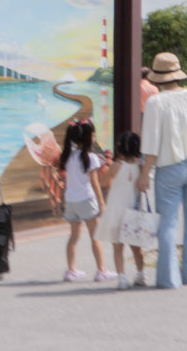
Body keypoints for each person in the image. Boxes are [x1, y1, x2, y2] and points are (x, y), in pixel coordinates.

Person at [136, 52, 187, 288]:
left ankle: (169, 279)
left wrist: (145, 173)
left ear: (156, 77)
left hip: (170, 167)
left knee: (167, 224)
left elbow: (151, 141)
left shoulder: (156, 102)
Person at [56, 118, 113, 283]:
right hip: (86, 200)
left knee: (73, 237)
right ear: (90, 137)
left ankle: (71, 270)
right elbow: (94, 183)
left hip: (71, 201)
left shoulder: (68, 157)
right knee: (95, 236)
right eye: (94, 134)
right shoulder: (91, 158)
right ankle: (101, 270)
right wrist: (101, 203)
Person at [101, 130, 147, 289]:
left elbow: (103, 181)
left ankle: (122, 278)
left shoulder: (116, 166)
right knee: (136, 246)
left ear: (119, 148)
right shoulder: (141, 166)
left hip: (116, 211)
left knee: (117, 247)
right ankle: (141, 275)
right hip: (133, 212)